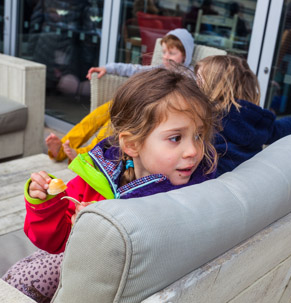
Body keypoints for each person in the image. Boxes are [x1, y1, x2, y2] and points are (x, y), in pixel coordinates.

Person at [3, 67, 218, 303]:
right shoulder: (98, 175)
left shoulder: (191, 198)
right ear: (132, 145)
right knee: (22, 281)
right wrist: (46, 205)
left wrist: (94, 234)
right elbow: (54, 242)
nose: (193, 151)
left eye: (198, 135)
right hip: (61, 270)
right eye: (176, 138)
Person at [46, 28, 195, 162]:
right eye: (164, 52)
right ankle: (63, 148)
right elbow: (132, 69)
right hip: (129, 102)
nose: (166, 57)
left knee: (110, 126)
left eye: (172, 53)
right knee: (94, 117)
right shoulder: (159, 68)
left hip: (142, 111)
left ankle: (85, 156)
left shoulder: (189, 77)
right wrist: (107, 68)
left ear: (185, 55)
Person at [195, 54, 291, 177]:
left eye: (199, 81)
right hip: (245, 180)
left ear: (215, 87)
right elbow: (280, 128)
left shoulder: (210, 118)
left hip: (210, 181)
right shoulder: (255, 120)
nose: (194, 85)